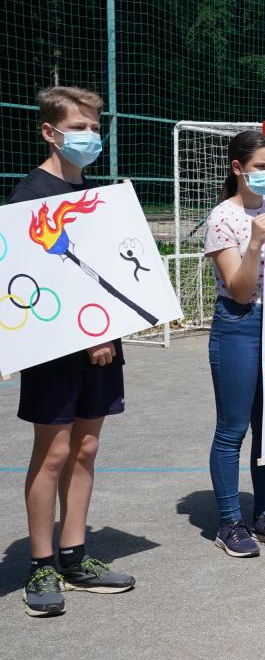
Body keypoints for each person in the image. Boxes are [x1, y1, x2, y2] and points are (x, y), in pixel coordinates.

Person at [11, 86, 135, 616]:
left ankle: (74, 554)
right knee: (54, 451)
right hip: (58, 348)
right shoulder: (28, 196)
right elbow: (33, 283)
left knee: (86, 450)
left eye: (93, 126)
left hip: (104, 343)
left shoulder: (98, 196)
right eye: (78, 127)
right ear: (50, 131)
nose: (89, 136)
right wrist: (89, 335)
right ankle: (40, 564)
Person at [203, 130, 265, 557]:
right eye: (261, 167)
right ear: (238, 168)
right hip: (238, 324)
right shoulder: (223, 217)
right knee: (233, 429)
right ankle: (229, 522)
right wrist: (257, 240)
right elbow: (240, 291)